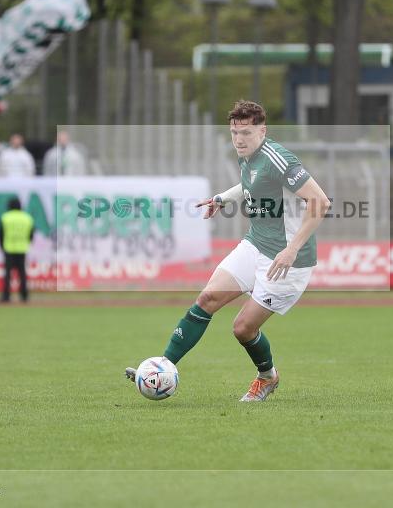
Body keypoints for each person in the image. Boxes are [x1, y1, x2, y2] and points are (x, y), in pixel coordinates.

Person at [124, 100, 331, 401]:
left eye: (246, 133)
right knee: (207, 298)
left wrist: (292, 249)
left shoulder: (278, 159)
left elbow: (320, 202)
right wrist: (222, 198)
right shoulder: (248, 156)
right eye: (234, 132)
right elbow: (251, 184)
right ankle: (161, 368)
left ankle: (267, 377)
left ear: (263, 131)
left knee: (242, 329)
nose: (239, 139)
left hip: (287, 261)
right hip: (256, 244)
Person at [0, 197, 34, 303]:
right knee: (22, 273)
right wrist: (27, 243)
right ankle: (24, 295)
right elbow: (31, 234)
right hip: (22, 248)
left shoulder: (5, 217)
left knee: (7, 273)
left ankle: (6, 296)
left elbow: (0, 233)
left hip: (9, 248)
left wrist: (2, 246)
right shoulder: (27, 218)